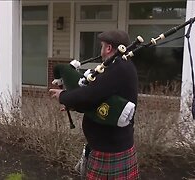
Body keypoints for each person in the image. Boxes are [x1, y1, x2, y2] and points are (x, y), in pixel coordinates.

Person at [49, 30, 139, 179]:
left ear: (109, 48)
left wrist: (63, 96)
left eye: (102, 46)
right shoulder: (120, 65)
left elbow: (90, 94)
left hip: (111, 148)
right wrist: (73, 105)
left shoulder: (118, 69)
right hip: (108, 144)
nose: (101, 51)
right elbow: (99, 101)